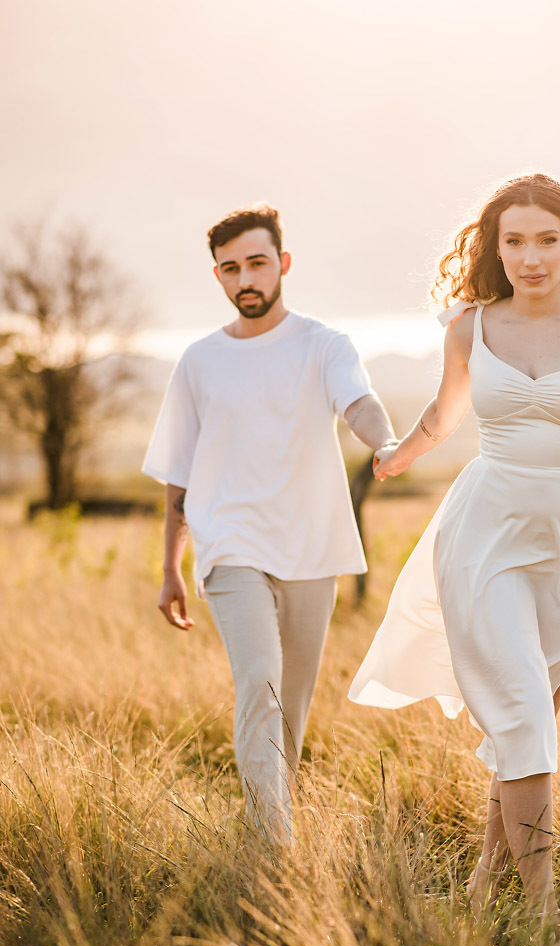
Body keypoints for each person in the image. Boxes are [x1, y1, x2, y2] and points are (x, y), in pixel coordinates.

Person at [349, 174, 560, 926]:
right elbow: (442, 415)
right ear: (494, 248)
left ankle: (485, 880)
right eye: (514, 241)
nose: (530, 257)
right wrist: (398, 454)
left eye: (545, 240)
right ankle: (542, 915)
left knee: (529, 717)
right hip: (483, 525)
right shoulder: (469, 325)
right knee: (523, 708)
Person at [143, 204, 397, 845]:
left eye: (256, 263)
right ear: (218, 277)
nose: (244, 278)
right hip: (229, 542)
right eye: (230, 269)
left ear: (282, 264)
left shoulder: (324, 345)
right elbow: (179, 469)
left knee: (291, 702)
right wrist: (171, 565)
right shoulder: (199, 362)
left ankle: (269, 818)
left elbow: (358, 402)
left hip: (310, 545)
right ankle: (273, 850)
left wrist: (388, 443)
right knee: (258, 681)